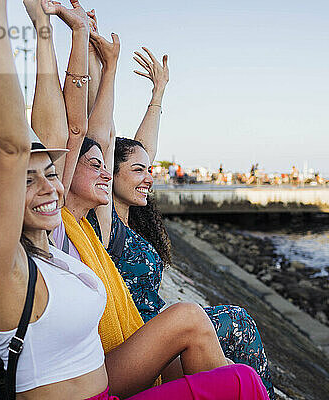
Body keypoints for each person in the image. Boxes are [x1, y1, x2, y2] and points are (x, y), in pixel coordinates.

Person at [0, 1, 268, 399]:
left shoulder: (55, 246)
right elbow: (26, 143)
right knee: (234, 374)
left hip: (107, 385)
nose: (49, 186)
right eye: (27, 180)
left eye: (50, 173)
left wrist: (64, 34)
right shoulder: (4, 266)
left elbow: (78, 131)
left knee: (234, 371)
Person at [75, 32, 275, 397]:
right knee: (237, 322)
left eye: (148, 170)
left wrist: (158, 92)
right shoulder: (103, 219)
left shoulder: (126, 219)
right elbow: (102, 137)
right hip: (139, 338)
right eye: (137, 171)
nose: (148, 177)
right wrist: (99, 67)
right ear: (109, 172)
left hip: (154, 330)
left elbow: (140, 150)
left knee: (233, 329)